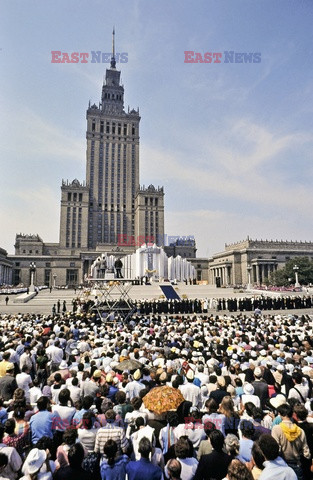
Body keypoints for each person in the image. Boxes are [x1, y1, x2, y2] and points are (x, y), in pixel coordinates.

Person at [271, 403, 310, 479]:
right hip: (297, 465)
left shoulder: (276, 429)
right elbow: (307, 454)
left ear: (280, 414)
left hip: (282, 466)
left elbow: (276, 450)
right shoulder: (300, 431)